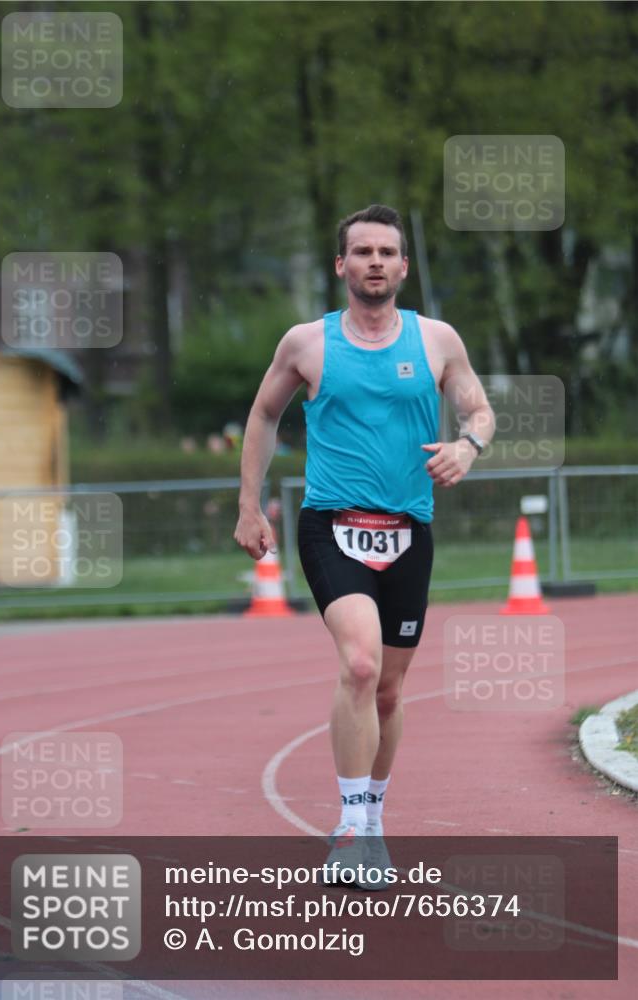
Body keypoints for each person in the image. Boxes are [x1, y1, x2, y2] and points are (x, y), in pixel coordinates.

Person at [234, 204, 495, 888]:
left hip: (409, 531)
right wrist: (246, 505)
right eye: (362, 252)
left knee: (387, 688)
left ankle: (373, 819)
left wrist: (469, 446)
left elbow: (478, 408)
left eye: (386, 252)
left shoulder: (436, 340)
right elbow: (264, 414)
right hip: (331, 526)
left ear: (402, 267)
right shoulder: (306, 344)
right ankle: (349, 826)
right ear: (340, 265)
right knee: (357, 664)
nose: (374, 261)